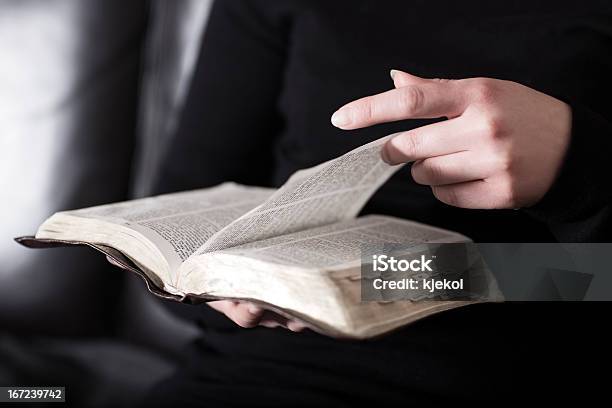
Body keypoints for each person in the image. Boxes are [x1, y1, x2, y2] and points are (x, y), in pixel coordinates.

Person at [146, 1, 612, 405]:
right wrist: (220, 284)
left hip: (510, 380)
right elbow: (185, 208)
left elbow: (595, 276)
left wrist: (577, 165)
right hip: (257, 377)